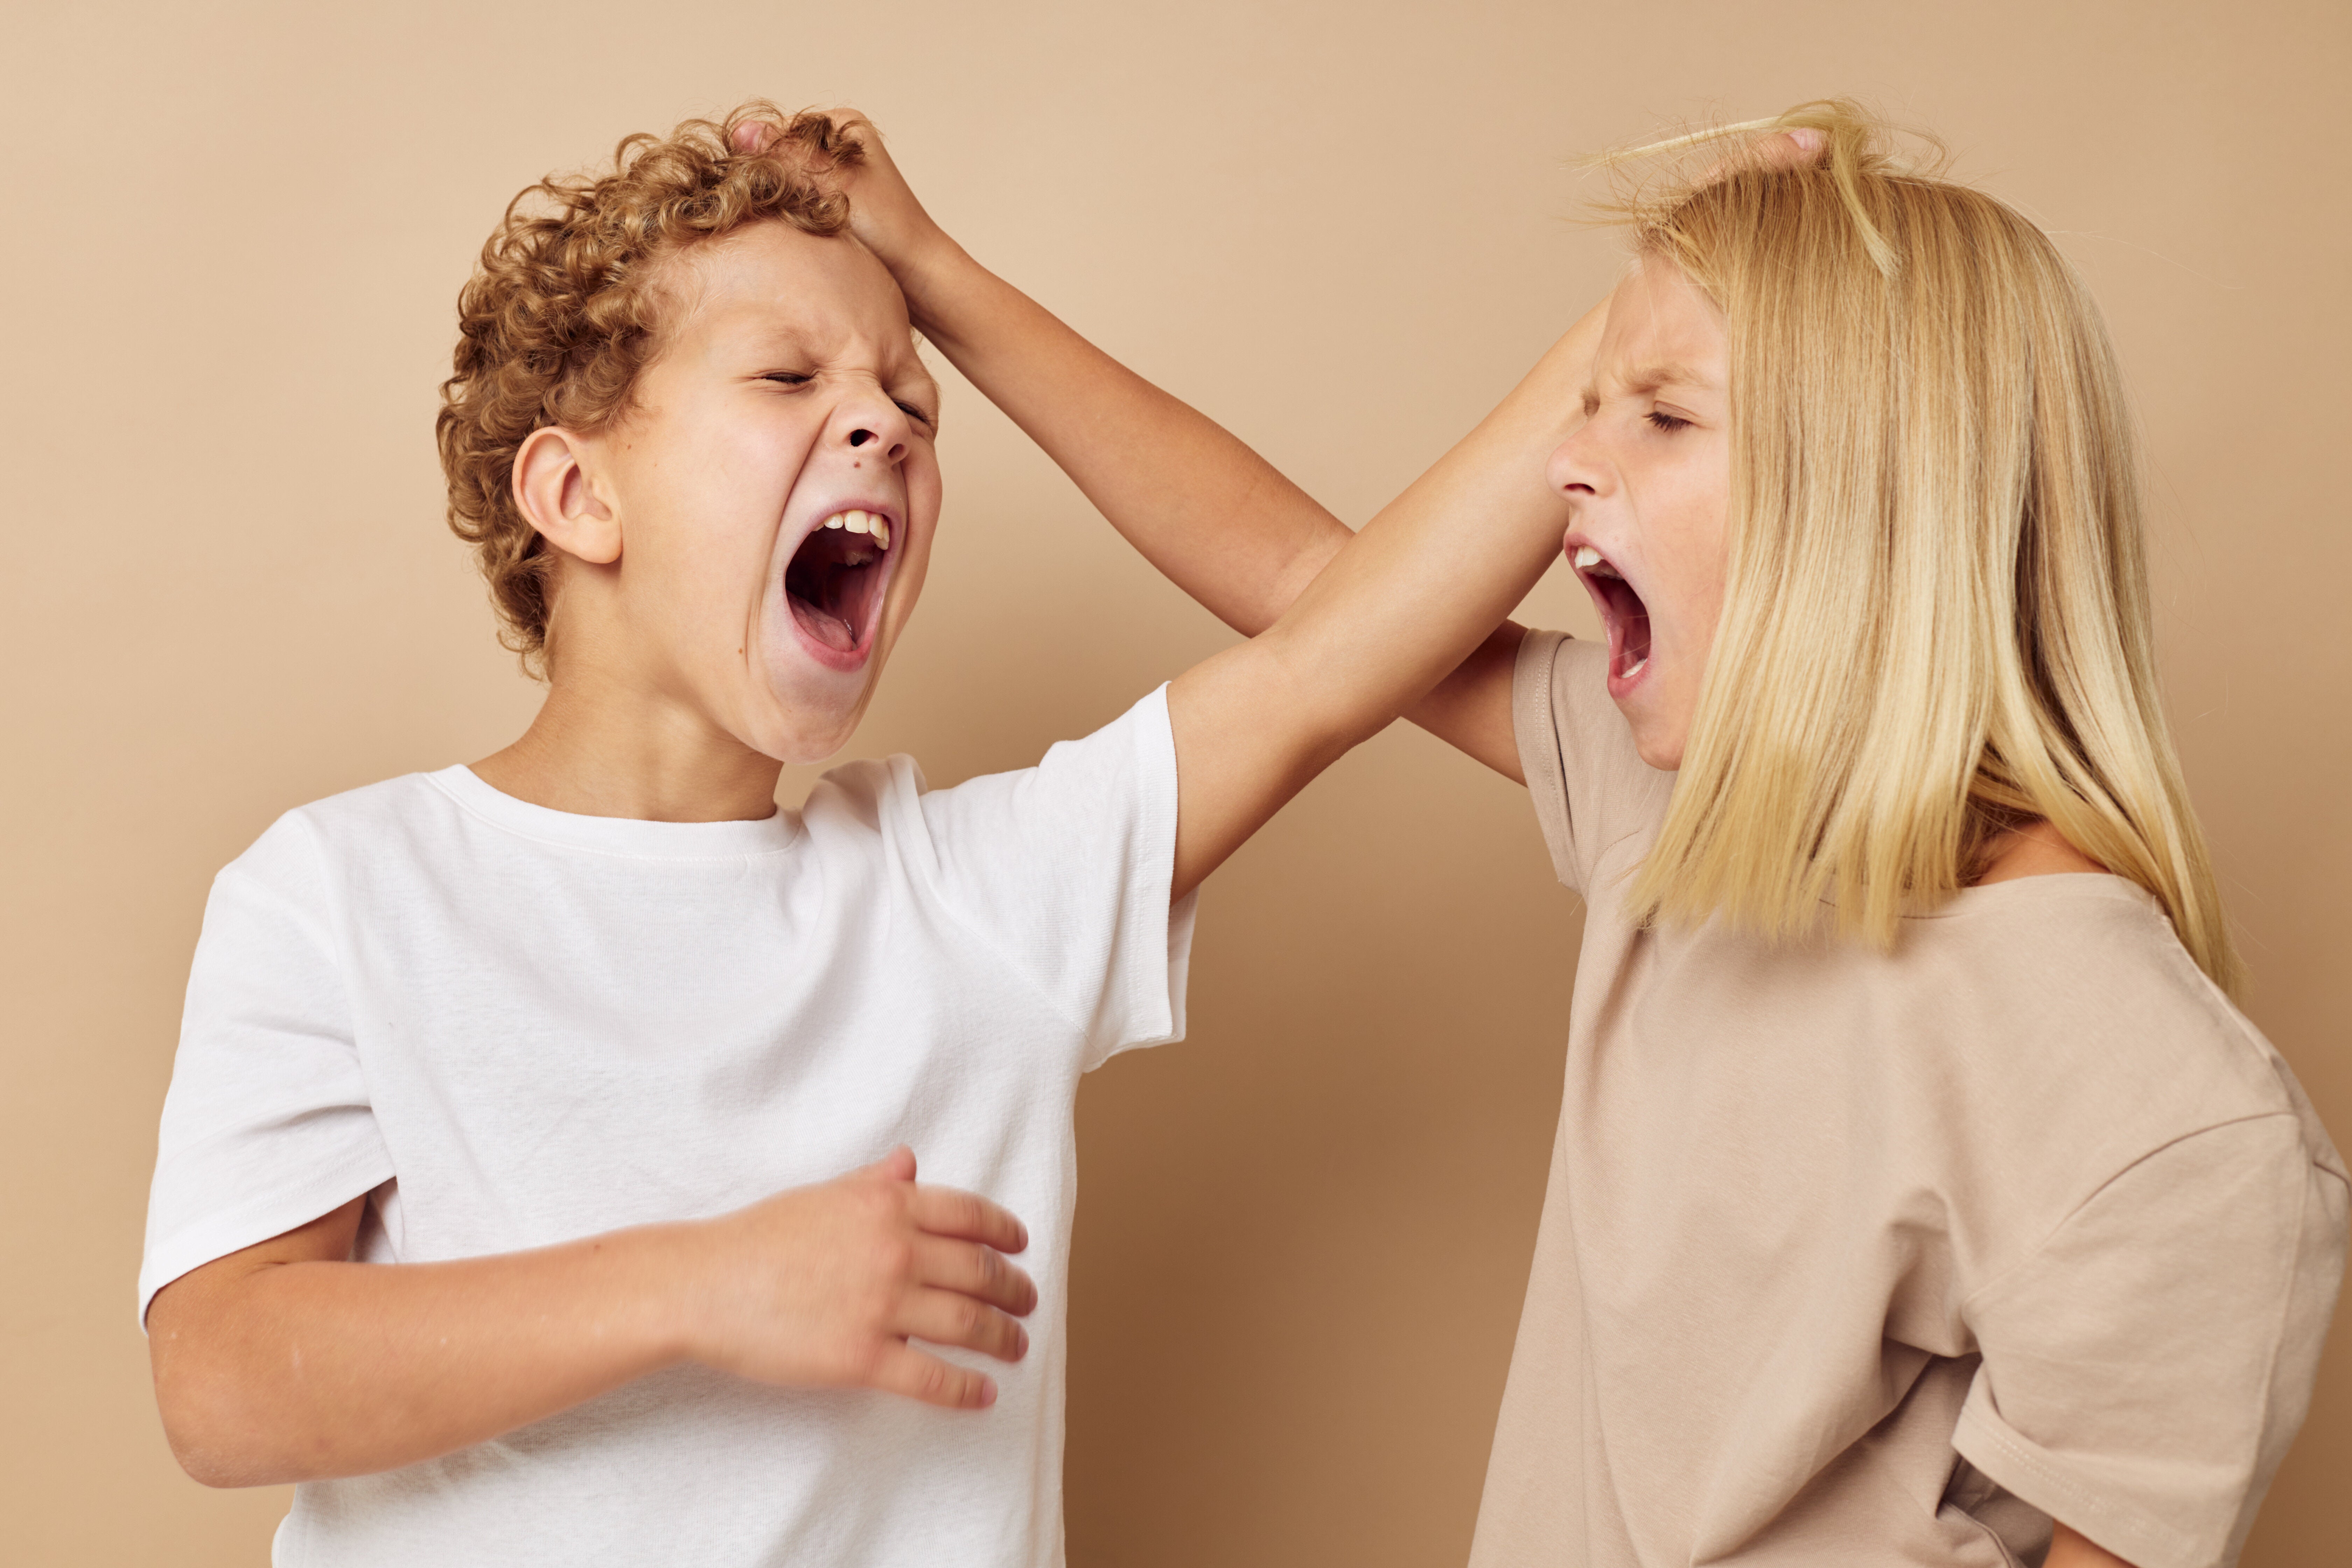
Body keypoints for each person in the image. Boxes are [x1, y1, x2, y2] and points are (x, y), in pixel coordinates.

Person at [830, 100, 2347, 1568]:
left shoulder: (2171, 1119)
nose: (1567, 463)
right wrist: (936, 275)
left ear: (1875, 498)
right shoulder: (1688, 816)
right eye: (1597, 409)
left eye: (1665, 417)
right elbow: (1313, 593)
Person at [136, 103, 1594, 1566]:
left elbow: (1335, 654)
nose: (886, 423)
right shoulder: (342, 893)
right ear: (576, 494)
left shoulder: (977, 900)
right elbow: (221, 1384)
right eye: (788, 375)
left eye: (913, 402)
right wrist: (705, 1286)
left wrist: (1623, 345)